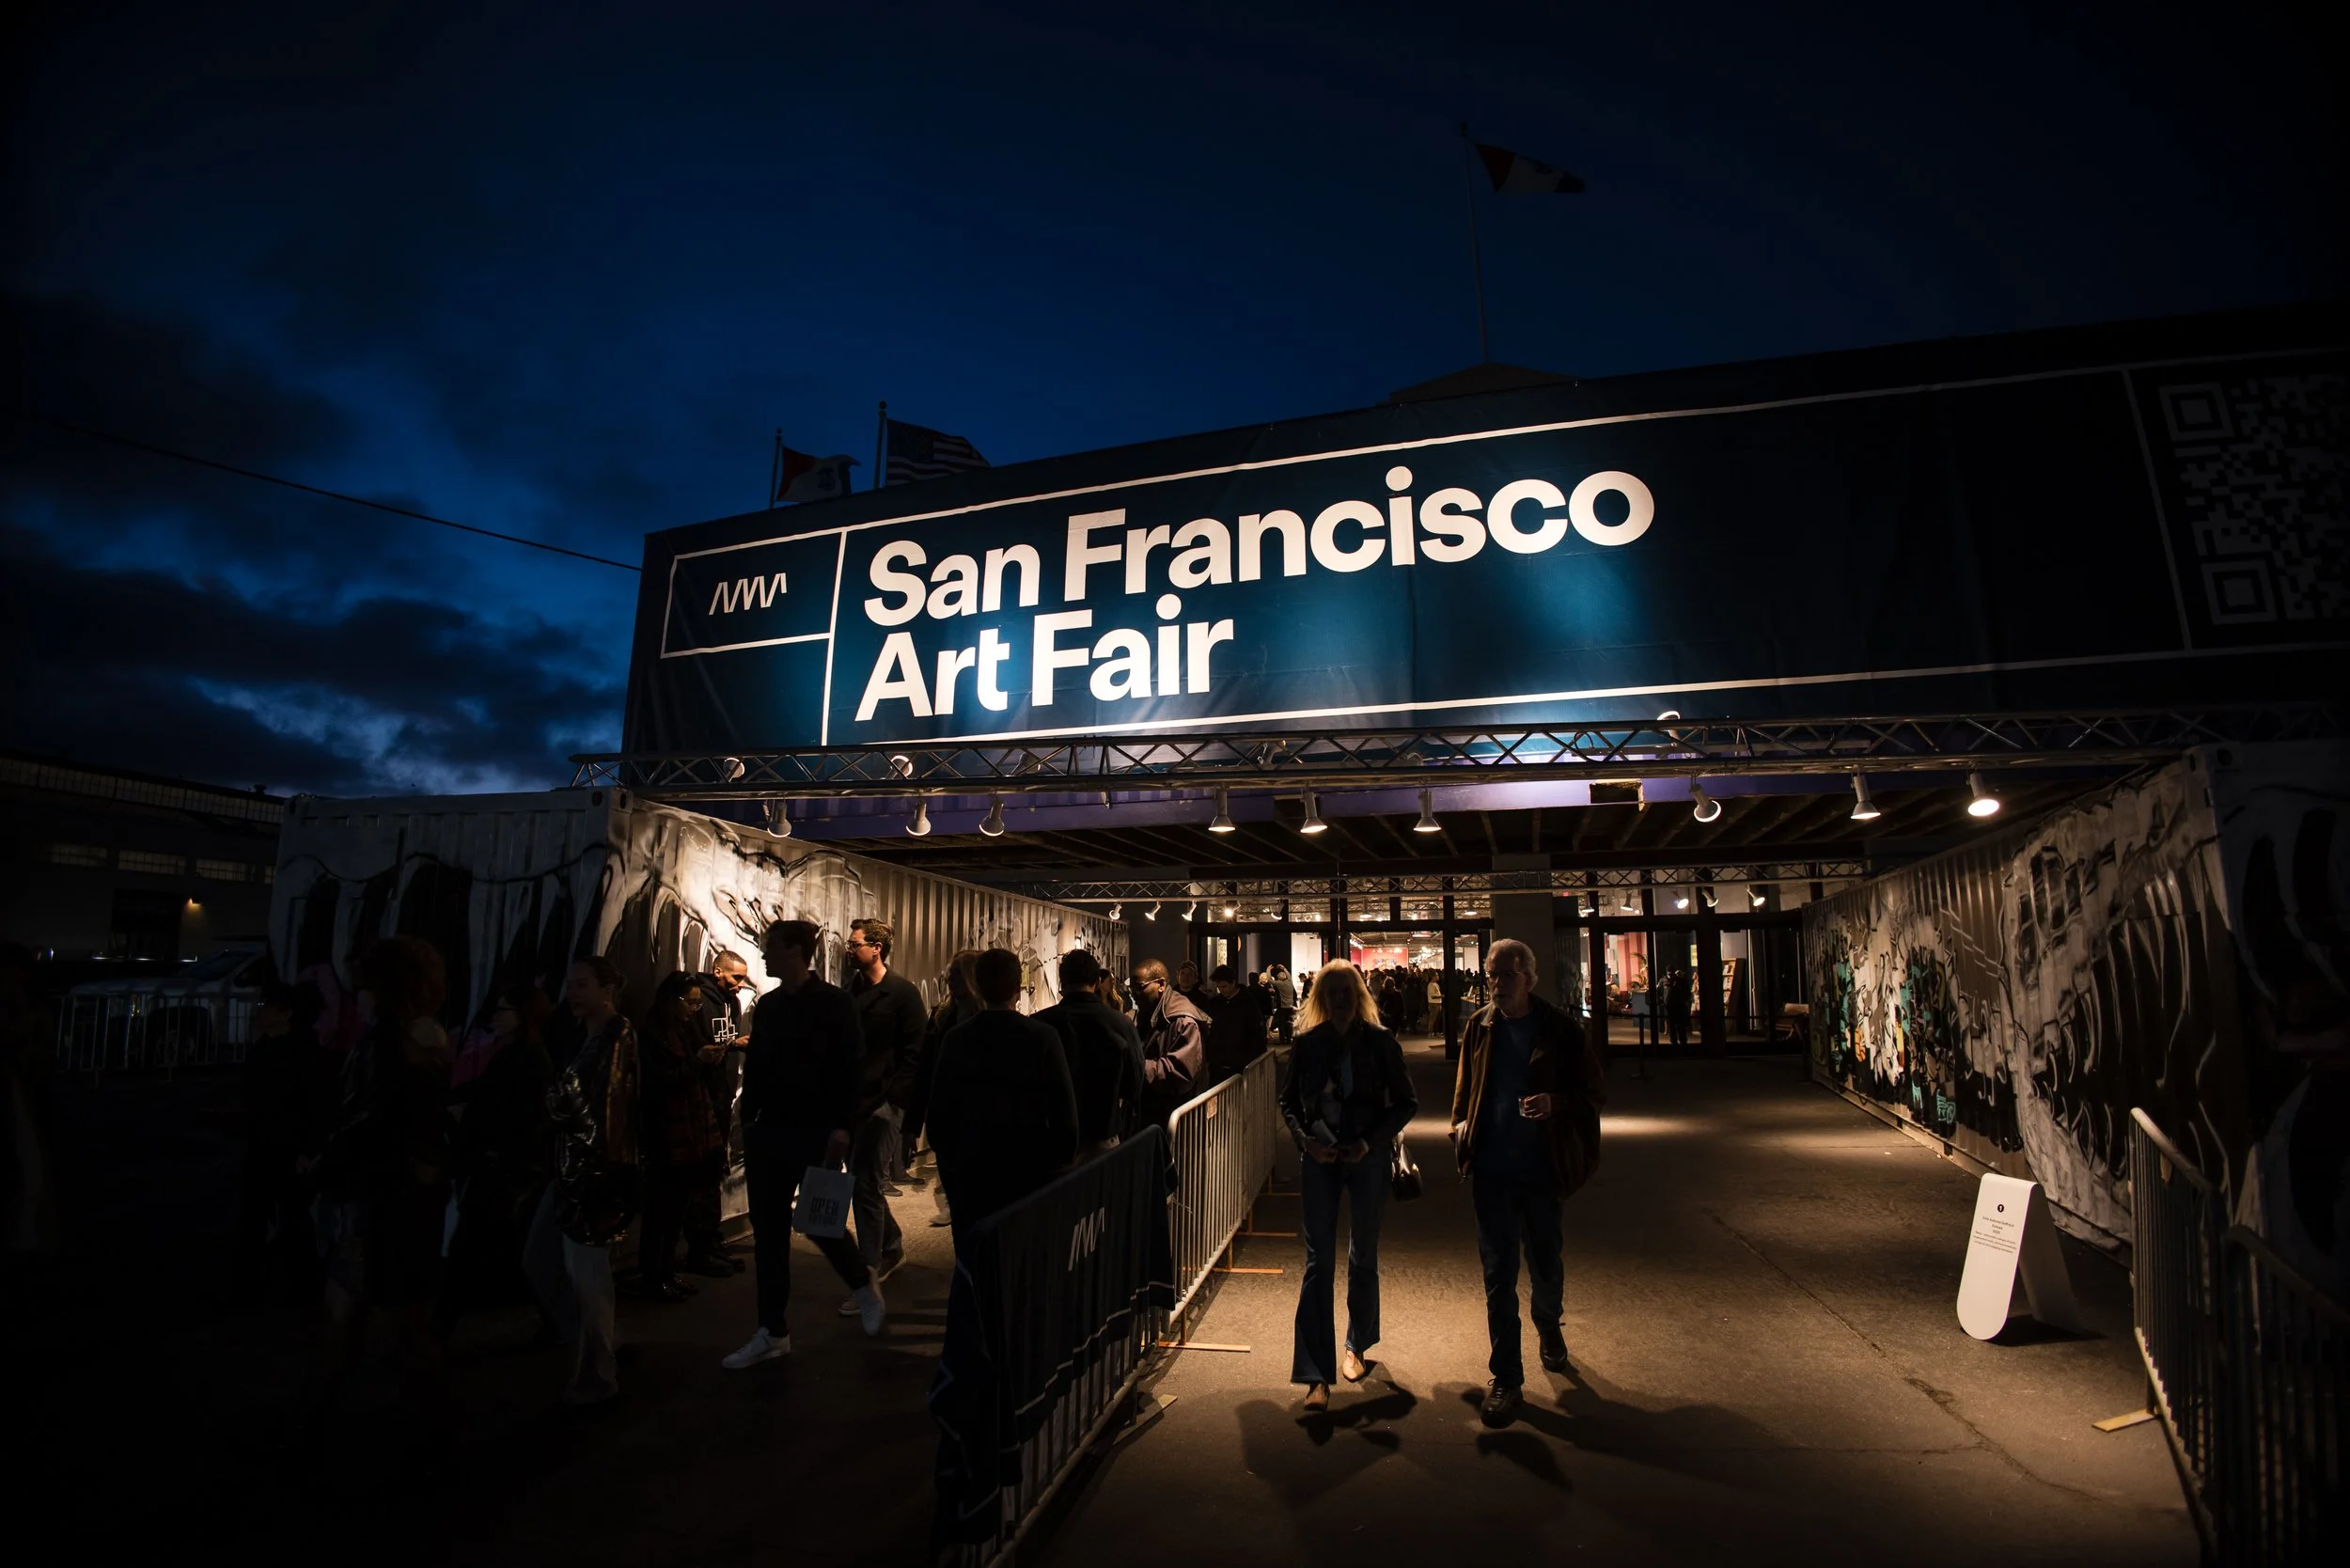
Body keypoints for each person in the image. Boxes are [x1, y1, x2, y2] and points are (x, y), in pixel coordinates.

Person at [1449, 937, 1606, 1427]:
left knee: (1544, 1261)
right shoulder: (1480, 1026)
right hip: (1492, 1170)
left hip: (1541, 1167)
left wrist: (1555, 1103)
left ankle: (1548, 1323)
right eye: (1491, 975)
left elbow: (1593, 1094)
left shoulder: (1561, 1030)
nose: (1496, 984)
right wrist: (1460, 1130)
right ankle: (1506, 1378)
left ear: (1530, 978)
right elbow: (1465, 1089)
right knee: (1497, 1274)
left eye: (1506, 975)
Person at [302, 936, 455, 1435]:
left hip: (380, 1202)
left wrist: (317, 1168)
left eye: (363, 987)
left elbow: (366, 1125)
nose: (357, 997)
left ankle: (423, 1436)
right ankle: (426, 1435)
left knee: (375, 1321)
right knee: (391, 1322)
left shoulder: (386, 1046)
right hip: (409, 1198)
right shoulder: (425, 1041)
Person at [724, 920, 881, 1370]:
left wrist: (842, 1127)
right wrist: (749, 1120)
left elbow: (852, 1067)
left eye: (771, 948)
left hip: (815, 1132)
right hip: (769, 1132)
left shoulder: (834, 1004)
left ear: (795, 952)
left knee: (820, 1221)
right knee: (769, 1234)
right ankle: (772, 1331)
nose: (764, 955)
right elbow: (758, 1068)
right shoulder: (770, 1006)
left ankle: (862, 1283)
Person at [1279, 961, 1416, 1412]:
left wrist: (1368, 1143)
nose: (1340, 998)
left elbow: (1406, 1102)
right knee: (1317, 1263)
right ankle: (1315, 1374)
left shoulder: (1380, 1042)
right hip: (1319, 1161)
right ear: (1321, 997)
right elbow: (1287, 1101)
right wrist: (1306, 1143)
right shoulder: (1307, 1044)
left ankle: (1357, 1345)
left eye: (1347, 990)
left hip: (1367, 1160)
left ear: (1359, 996)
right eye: (1332, 991)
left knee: (1363, 1256)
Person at [523, 955, 639, 1410]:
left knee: (587, 1279)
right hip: (570, 1169)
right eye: (570, 984)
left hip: (592, 1174)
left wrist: (562, 1108)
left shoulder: (617, 1034)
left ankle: (596, 1377)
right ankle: (601, 1349)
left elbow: (608, 1109)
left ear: (608, 989)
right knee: (541, 1262)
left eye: (583, 984)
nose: (572, 993)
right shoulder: (581, 1035)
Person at [923, 948, 1079, 1232]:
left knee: (973, 1252)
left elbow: (938, 1113)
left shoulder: (956, 1038)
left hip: (972, 1172)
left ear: (978, 985)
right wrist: (1054, 1167)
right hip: (1028, 1171)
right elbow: (1064, 1115)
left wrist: (954, 1165)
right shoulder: (1042, 1036)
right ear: (1017, 987)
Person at [432, 985, 555, 1342]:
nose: (495, 1018)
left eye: (504, 1010)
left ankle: (437, 1331)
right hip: (504, 1166)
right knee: (506, 1250)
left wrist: (468, 1118)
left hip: (501, 1167)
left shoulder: (524, 1058)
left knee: (470, 1248)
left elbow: (510, 1113)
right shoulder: (520, 1055)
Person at [234, 980, 328, 1301]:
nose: (259, 1012)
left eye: (266, 1007)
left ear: (286, 1013)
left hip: (288, 1148)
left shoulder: (303, 1054)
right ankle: (255, 1282)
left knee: (292, 1218)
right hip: (264, 1144)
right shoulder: (265, 1048)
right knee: (256, 1215)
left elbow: (316, 1106)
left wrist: (307, 1149)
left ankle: (299, 1287)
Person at [845, 917, 927, 1286]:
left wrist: (895, 1101)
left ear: (876, 948)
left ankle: (869, 1270)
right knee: (863, 1183)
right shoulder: (852, 991)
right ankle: (891, 1245)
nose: (849, 950)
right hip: (854, 1102)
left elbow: (915, 1053)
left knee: (865, 1184)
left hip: (883, 1106)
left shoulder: (903, 993)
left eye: (855, 944)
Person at [636, 972, 727, 1301]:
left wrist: (706, 1058)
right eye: (690, 1002)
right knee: (660, 1210)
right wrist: (698, 1062)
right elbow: (660, 1083)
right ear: (671, 1000)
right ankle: (654, 1276)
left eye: (697, 1004)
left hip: (687, 1132)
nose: (694, 1009)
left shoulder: (681, 1030)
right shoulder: (653, 1034)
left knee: (675, 1209)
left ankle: (666, 1272)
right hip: (666, 1134)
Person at [683, 949, 753, 1274]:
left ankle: (711, 1242)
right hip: (699, 1098)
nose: (740, 984)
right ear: (717, 972)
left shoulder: (732, 1003)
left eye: (743, 978)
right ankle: (699, 1249)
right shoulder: (697, 1000)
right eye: (735, 977)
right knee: (699, 1175)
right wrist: (732, 1045)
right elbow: (697, 1046)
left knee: (713, 1172)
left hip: (721, 1096)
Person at [1035, 949, 1143, 1155]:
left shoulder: (1041, 1023)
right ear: (1097, 981)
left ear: (1062, 982)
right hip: (1103, 1137)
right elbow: (1134, 1086)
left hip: (1053, 1140)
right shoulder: (1120, 1024)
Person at [914, 949, 981, 1229]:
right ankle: (952, 1207)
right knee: (949, 1167)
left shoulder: (984, 1017)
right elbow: (925, 1066)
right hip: (945, 1111)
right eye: (950, 974)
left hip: (976, 1113)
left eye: (957, 974)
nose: (950, 980)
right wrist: (913, 1121)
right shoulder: (941, 1015)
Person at [1131, 959, 1206, 1125]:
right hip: (1153, 1108)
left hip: (1174, 1114)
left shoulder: (1183, 1020)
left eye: (1140, 987)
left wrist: (1136, 1066)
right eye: (1131, 988)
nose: (1134, 993)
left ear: (1161, 985)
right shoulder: (1149, 1012)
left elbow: (1180, 1072)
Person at [1204, 964, 1270, 1083]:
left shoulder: (1248, 1003)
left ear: (1233, 983)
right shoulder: (1215, 1003)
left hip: (1241, 1064)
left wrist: (1255, 1059)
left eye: (1224, 986)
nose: (1221, 990)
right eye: (1219, 987)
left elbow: (1257, 1033)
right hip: (1218, 1064)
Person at [1269, 964, 1299, 1046]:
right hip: (1290, 1006)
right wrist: (1284, 968)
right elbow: (1289, 975)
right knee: (1288, 1023)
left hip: (1282, 1007)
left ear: (1278, 977)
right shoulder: (1290, 982)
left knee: (1281, 1023)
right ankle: (1289, 1039)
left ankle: (1283, 1039)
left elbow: (1270, 980)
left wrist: (1268, 970)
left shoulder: (1279, 984)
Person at [1666, 965, 1694, 1049]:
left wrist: (1682, 1001)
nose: (1670, 976)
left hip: (1678, 1007)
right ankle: (1675, 1040)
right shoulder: (1669, 982)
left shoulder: (1679, 982)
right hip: (1673, 1007)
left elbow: (1687, 993)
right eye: (1669, 974)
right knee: (1674, 1025)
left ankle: (1681, 1041)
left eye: (1671, 974)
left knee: (1679, 1025)